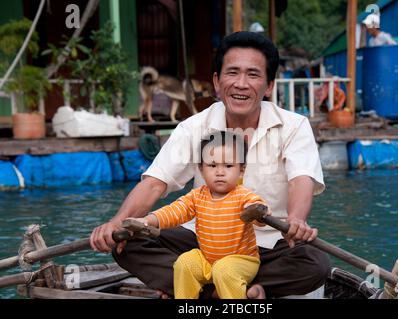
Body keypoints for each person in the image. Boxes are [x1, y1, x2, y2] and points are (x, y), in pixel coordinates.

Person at [90, 31, 330, 299]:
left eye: (253, 75)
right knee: (129, 242)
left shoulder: (294, 126)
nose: (241, 84)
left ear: (269, 85)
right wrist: (115, 223)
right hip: (204, 243)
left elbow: (301, 181)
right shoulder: (194, 127)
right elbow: (154, 184)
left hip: (270, 243)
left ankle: (205, 288)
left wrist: (296, 220)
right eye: (232, 73)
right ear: (217, 81)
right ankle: (226, 291)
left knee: (315, 263)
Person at [125, 131, 269, 299]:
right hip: (208, 259)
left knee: (224, 269)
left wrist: (258, 210)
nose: (220, 172)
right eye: (212, 165)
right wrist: (147, 221)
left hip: (242, 260)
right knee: (185, 262)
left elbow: (259, 210)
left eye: (228, 166)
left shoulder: (244, 196)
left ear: (241, 170)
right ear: (201, 169)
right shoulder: (196, 196)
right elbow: (174, 211)